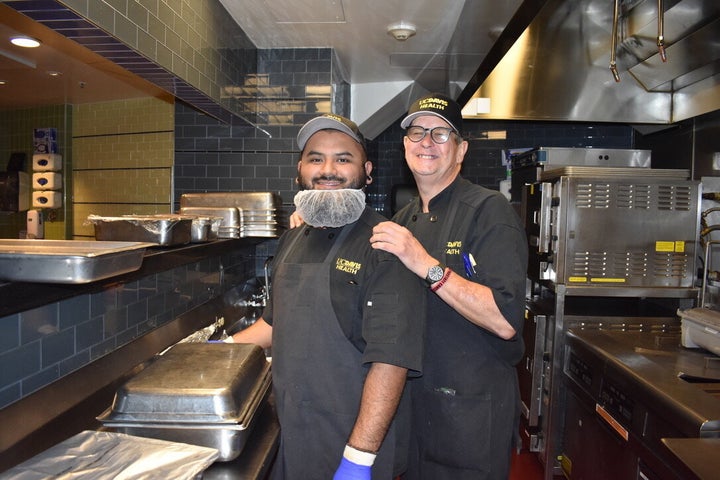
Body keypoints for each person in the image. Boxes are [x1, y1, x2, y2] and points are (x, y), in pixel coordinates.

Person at [228, 113, 425, 480]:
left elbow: (392, 362)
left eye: (343, 159)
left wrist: (358, 459)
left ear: (367, 171)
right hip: (292, 430)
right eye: (316, 158)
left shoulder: (385, 245)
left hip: (351, 441)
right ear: (300, 170)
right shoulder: (292, 239)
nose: (328, 169)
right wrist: (218, 351)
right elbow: (274, 324)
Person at [369, 93, 528, 479]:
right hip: (415, 409)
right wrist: (317, 216)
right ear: (406, 146)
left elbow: (505, 320)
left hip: (469, 415)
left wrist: (425, 264)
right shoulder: (404, 218)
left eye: (441, 134)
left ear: (460, 151)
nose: (426, 141)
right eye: (418, 132)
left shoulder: (489, 211)